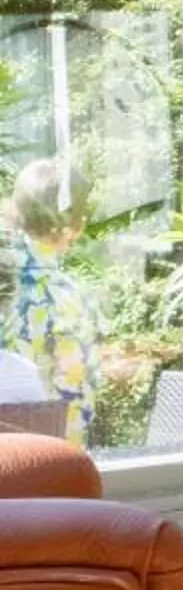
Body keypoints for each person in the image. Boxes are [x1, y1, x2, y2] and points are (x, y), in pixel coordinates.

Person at [1, 159, 98, 444]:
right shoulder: (70, 299)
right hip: (41, 462)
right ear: (76, 226)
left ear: (14, 212)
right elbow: (78, 402)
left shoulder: (7, 278)